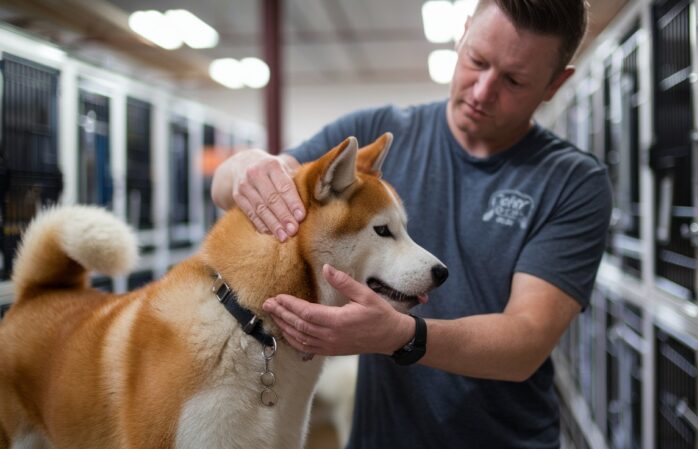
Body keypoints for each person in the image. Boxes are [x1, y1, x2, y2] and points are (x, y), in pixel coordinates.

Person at [211, 0, 611, 447]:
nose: (482, 92)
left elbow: (526, 340)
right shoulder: (377, 131)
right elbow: (246, 182)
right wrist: (246, 166)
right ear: (462, 34)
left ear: (557, 83)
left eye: (514, 80)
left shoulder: (573, 181)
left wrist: (403, 336)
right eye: (477, 61)